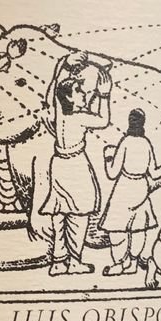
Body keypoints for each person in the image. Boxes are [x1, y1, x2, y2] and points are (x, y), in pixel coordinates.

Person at [39, 70, 111, 276]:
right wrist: (104, 95)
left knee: (60, 213)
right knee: (80, 214)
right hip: (75, 165)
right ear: (70, 97)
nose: (84, 94)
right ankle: (74, 261)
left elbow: (55, 89)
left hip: (58, 163)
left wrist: (65, 67)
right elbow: (103, 120)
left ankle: (58, 262)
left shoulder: (61, 112)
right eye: (79, 91)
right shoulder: (78, 117)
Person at [100, 108, 161, 276]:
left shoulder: (125, 142)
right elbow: (154, 173)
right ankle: (132, 262)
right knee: (138, 230)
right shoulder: (146, 143)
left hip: (124, 190)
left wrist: (108, 157)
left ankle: (120, 263)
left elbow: (112, 173)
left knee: (117, 231)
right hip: (141, 190)